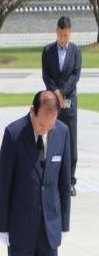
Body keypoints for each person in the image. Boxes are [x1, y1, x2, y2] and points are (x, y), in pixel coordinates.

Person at [0, 91, 71, 256]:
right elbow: (4, 184)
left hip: (50, 229)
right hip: (20, 229)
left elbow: (64, 183)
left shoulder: (62, 132)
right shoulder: (13, 133)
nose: (45, 130)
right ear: (32, 111)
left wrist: (64, 224)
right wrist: (2, 226)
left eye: (50, 126)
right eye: (41, 125)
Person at [42, 16, 82, 196]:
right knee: (53, 139)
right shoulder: (48, 51)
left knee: (71, 140)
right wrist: (56, 92)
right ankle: (53, 179)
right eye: (61, 35)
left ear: (70, 32)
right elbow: (46, 75)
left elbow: (75, 75)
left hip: (69, 102)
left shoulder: (76, 52)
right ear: (56, 31)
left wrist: (63, 92)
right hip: (52, 102)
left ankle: (70, 180)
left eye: (66, 36)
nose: (64, 39)